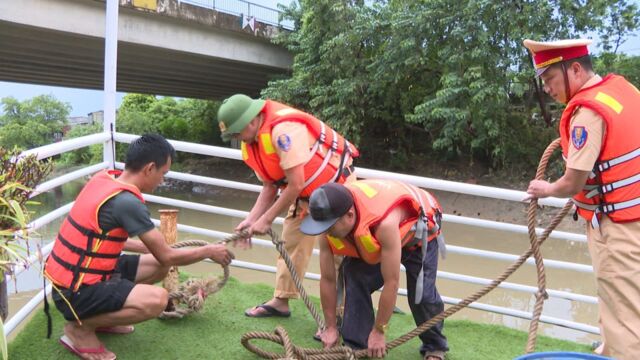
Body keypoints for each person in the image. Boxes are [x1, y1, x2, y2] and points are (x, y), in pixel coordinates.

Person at [43, 134, 235, 360]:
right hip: (75, 292)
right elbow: (167, 256)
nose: (162, 181)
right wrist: (209, 251)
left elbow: (108, 239)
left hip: (76, 280)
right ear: (150, 168)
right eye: (163, 174)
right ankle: (80, 329)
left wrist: (151, 249)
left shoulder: (104, 180)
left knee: (157, 265)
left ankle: (102, 317)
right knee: (158, 300)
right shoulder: (128, 202)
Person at [523, 39, 640, 359]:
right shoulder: (621, 90)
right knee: (618, 297)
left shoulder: (587, 113)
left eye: (549, 79)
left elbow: (574, 180)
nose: (546, 88)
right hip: (633, 213)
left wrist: (546, 189)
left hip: (617, 226)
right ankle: (608, 347)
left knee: (626, 312)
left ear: (574, 69)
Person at [217, 94, 359, 318]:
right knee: (291, 244)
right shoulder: (252, 142)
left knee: (336, 254)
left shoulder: (284, 131)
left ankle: (342, 314)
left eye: (237, 133)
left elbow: (295, 183)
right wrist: (252, 219)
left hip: (336, 192)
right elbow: (269, 187)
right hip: (304, 197)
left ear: (252, 121)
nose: (237, 138)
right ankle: (281, 301)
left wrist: (266, 219)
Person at [299, 180, 449, 360]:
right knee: (354, 275)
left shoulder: (384, 224)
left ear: (349, 215)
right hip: (381, 242)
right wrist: (330, 327)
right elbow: (328, 279)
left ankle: (435, 346)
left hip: (417, 235)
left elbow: (391, 282)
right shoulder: (328, 226)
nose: (326, 232)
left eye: (330, 227)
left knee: (422, 296)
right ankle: (356, 345)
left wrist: (379, 331)